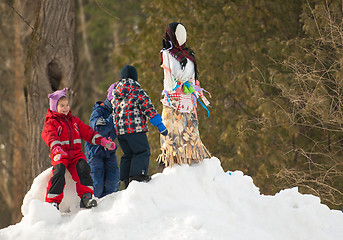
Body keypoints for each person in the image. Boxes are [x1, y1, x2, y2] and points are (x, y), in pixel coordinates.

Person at [41, 88, 116, 210]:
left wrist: (102, 141)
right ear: (54, 107)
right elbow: (49, 135)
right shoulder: (52, 123)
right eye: (62, 106)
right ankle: (52, 202)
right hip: (61, 154)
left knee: (83, 168)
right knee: (59, 172)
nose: (65, 108)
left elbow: (88, 132)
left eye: (67, 105)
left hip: (76, 155)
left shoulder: (74, 121)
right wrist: (56, 148)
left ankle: (86, 197)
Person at [157, 22, 211, 168]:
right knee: (181, 143)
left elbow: (169, 83)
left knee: (178, 143)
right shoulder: (184, 55)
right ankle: (180, 174)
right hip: (182, 104)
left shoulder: (172, 54)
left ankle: (186, 172)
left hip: (178, 104)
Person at [112, 65, 168, 188]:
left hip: (121, 132)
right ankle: (137, 177)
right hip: (135, 129)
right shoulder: (137, 92)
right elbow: (149, 109)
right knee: (142, 151)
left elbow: (114, 113)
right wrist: (160, 125)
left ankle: (126, 179)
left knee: (128, 154)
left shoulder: (116, 95)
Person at [85, 83, 120, 198]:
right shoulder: (99, 110)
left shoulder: (119, 112)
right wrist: (113, 117)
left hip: (109, 151)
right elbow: (99, 129)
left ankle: (108, 209)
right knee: (97, 185)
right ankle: (92, 205)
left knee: (113, 183)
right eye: (116, 101)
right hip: (94, 151)